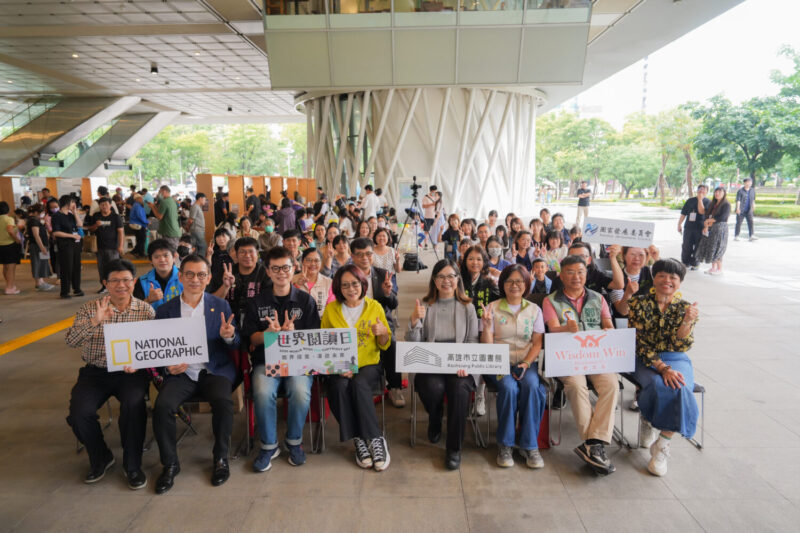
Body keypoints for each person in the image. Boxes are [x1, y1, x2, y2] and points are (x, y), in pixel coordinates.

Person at [152, 254, 240, 494]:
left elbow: (236, 343)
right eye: (189, 274)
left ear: (209, 278)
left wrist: (229, 336)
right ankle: (170, 464)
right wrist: (167, 366)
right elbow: (157, 349)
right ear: (180, 277)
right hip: (181, 374)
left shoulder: (220, 305)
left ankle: (220, 458)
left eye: (201, 275)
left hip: (214, 369)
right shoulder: (166, 310)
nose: (195, 279)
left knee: (223, 401)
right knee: (162, 407)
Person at [65, 259, 154, 489]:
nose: (121, 285)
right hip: (96, 372)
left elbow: (152, 349)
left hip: (131, 373)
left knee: (134, 406)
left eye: (126, 280)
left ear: (134, 282)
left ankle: (132, 464)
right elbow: (71, 341)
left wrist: (140, 363)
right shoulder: (90, 308)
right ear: (105, 283)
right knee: (79, 412)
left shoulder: (145, 311)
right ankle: (101, 456)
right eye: (115, 281)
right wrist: (95, 321)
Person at [617, 259, 700, 477]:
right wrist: (662, 368)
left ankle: (662, 444)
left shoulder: (686, 308)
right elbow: (638, 342)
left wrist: (687, 322)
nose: (667, 280)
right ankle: (648, 417)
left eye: (673, 277)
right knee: (658, 384)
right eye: (662, 275)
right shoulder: (639, 303)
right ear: (654, 278)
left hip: (676, 357)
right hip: (643, 357)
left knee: (680, 386)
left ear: (680, 282)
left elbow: (682, 344)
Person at [242, 246, 320, 472]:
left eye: (285, 268)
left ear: (294, 268)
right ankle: (269, 446)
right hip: (266, 362)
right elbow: (250, 338)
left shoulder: (306, 301)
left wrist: (293, 336)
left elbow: (314, 339)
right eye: (275, 269)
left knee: (300, 390)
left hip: (299, 361)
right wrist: (267, 335)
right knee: (263, 391)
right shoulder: (256, 302)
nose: (281, 273)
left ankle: (294, 441)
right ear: (267, 271)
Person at [542, 256, 617, 475]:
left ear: (586, 274)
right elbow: (552, 328)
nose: (576, 276)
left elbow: (608, 323)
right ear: (561, 275)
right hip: (567, 357)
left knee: (611, 385)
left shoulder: (598, 298)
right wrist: (566, 329)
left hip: (596, 355)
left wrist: (608, 330)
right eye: (571, 272)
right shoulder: (551, 300)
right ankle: (594, 445)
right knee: (576, 386)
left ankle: (592, 443)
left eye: (581, 271)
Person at [406, 259, 478, 469]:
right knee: (432, 387)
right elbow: (413, 344)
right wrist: (414, 321)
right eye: (441, 277)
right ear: (434, 281)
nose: (446, 281)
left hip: (460, 364)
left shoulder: (468, 307)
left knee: (459, 389)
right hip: (431, 363)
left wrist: (466, 364)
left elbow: (473, 340)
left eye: (451, 276)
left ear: (458, 279)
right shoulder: (425, 305)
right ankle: (435, 418)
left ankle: (454, 448)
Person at [321, 265, 392, 471]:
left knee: (359, 384)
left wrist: (382, 333)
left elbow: (384, 344)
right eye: (345, 285)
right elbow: (324, 344)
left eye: (354, 284)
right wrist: (339, 366)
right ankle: (359, 439)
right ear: (338, 288)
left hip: (368, 363)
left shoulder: (374, 307)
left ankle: (375, 438)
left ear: (362, 284)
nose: (351, 289)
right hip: (340, 365)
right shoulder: (331, 310)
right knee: (338, 387)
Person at [480, 264, 547, 469]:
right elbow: (487, 347)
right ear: (503, 284)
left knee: (532, 387)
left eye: (519, 281)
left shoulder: (534, 310)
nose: (514, 285)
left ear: (526, 284)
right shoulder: (492, 308)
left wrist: (526, 363)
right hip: (499, 363)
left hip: (527, 362)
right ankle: (505, 445)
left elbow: (537, 343)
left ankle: (530, 445)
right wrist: (486, 327)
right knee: (509, 388)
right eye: (510, 281)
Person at [349, 237, 404, 407]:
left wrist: (387, 294)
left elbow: (394, 304)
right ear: (352, 256)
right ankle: (365, 385)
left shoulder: (382, 274)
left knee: (392, 344)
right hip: (354, 323)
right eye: (359, 254)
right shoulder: (347, 276)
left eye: (368, 254)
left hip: (380, 322)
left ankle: (395, 387)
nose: (365, 258)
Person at [460, 245, 500, 418]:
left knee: (483, 355)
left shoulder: (489, 283)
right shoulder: (458, 281)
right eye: (471, 259)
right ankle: (463, 392)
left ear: (484, 262)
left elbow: (500, 302)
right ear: (465, 261)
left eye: (478, 259)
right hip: (461, 326)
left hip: (483, 327)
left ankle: (479, 394)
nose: (474, 262)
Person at [87, 197, 124, 294]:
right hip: (100, 247)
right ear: (99, 206)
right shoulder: (96, 216)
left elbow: (121, 232)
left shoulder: (116, 217)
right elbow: (90, 229)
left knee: (114, 268)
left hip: (113, 247)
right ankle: (104, 286)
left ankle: (115, 286)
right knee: (102, 268)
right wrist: (96, 225)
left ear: (110, 205)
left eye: (106, 204)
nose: (104, 206)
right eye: (102, 205)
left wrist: (120, 246)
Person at [133, 239, 183, 310]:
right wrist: (148, 300)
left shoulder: (185, 278)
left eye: (166, 255)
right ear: (151, 261)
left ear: (174, 257)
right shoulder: (142, 282)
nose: (162, 259)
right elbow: (135, 311)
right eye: (156, 257)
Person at [51, 195, 84, 299]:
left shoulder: (70, 215)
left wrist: (75, 213)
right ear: (67, 203)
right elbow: (56, 232)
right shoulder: (57, 216)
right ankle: (65, 291)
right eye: (73, 202)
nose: (74, 204)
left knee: (76, 267)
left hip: (75, 244)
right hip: (65, 245)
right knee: (67, 268)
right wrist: (72, 236)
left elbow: (80, 225)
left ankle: (77, 289)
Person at [696, 186, 730, 275]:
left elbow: (722, 217)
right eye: (716, 192)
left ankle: (719, 269)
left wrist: (709, 220)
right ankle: (713, 267)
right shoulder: (713, 204)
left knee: (719, 247)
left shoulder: (726, 204)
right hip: (711, 227)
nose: (717, 194)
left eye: (720, 192)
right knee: (712, 247)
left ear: (724, 193)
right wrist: (706, 226)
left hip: (720, 228)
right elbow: (706, 214)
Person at [292, 247, 335, 318]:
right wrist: (297, 285)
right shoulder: (292, 280)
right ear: (302, 261)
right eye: (308, 260)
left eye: (316, 260)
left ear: (321, 262)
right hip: (296, 322)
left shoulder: (328, 282)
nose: (312, 264)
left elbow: (331, 309)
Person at [678, 185, 710, 270]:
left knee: (698, 246)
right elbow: (683, 213)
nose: (701, 191)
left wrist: (700, 199)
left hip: (700, 227)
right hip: (688, 226)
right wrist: (679, 224)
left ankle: (695, 263)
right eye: (700, 189)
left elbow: (702, 211)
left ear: (707, 192)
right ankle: (685, 262)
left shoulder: (708, 202)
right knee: (686, 245)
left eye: (704, 189)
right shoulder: (690, 200)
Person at [25, 204, 56, 291]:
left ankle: (41, 282)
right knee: (37, 263)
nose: (42, 214)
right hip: (37, 246)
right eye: (41, 213)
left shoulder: (37, 220)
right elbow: (36, 235)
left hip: (42, 245)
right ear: (35, 212)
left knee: (43, 263)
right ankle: (38, 283)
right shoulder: (33, 221)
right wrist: (42, 247)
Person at [0, 201, 23, 295]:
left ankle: (10, 285)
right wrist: (17, 239)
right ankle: (9, 288)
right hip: (9, 245)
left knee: (5, 267)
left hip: (1, 246)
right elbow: (10, 230)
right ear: (8, 209)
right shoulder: (8, 219)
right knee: (11, 268)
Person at [148, 186, 181, 250]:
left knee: (170, 251)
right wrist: (154, 206)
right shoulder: (172, 201)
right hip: (173, 230)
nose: (159, 194)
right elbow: (160, 212)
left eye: (160, 192)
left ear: (164, 191)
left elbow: (159, 217)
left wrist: (152, 207)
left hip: (169, 232)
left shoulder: (164, 202)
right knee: (172, 251)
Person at [186, 192, 207, 257]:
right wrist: (187, 227)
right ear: (200, 198)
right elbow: (191, 220)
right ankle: (201, 260)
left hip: (198, 230)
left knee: (196, 247)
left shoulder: (197, 207)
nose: (205, 201)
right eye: (204, 199)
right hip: (197, 230)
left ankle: (197, 259)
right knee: (203, 246)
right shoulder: (195, 207)